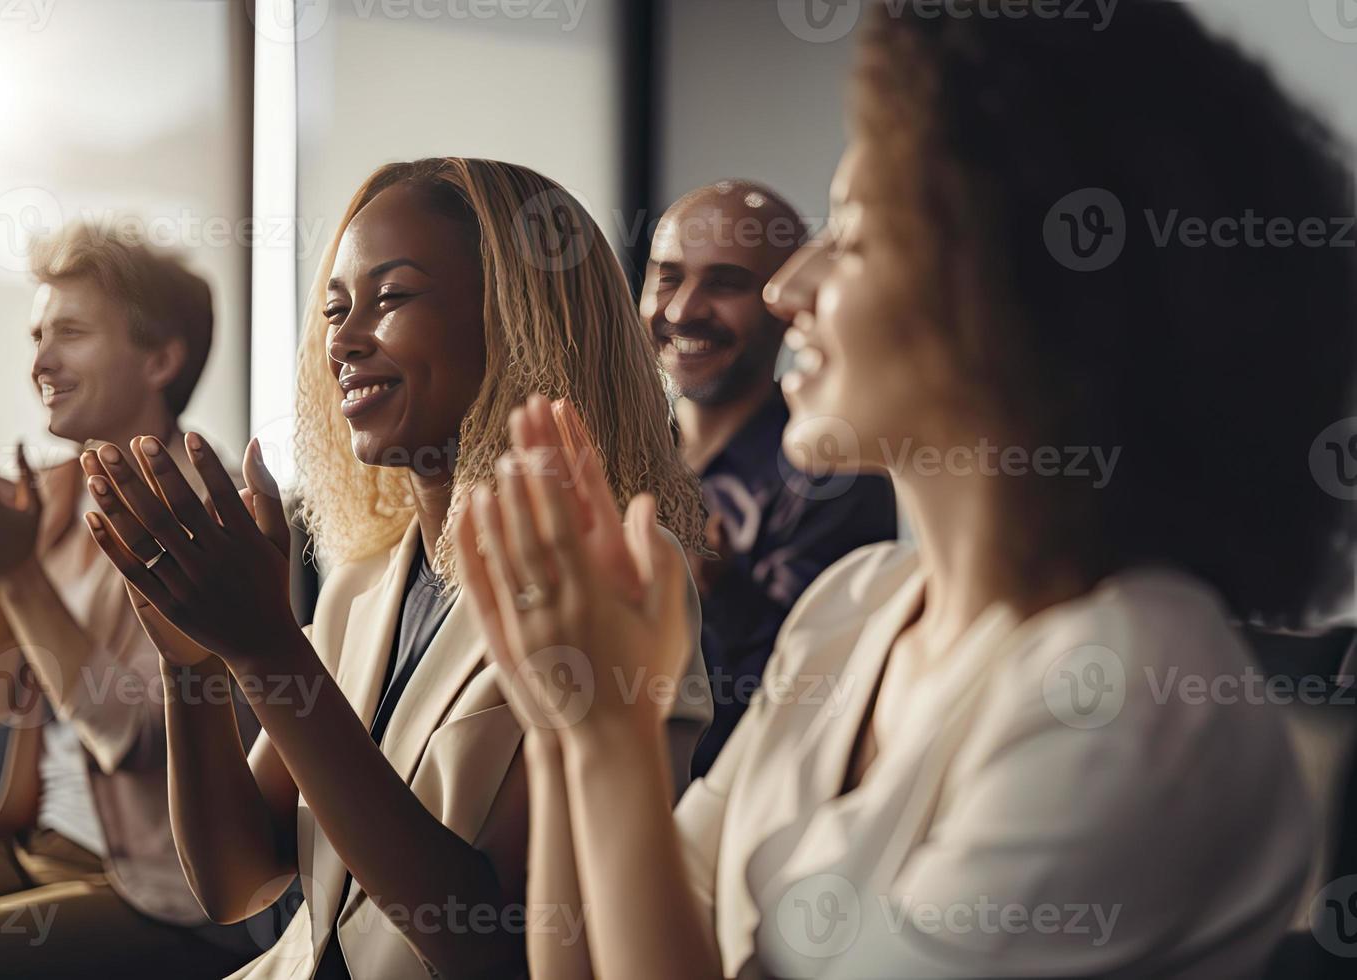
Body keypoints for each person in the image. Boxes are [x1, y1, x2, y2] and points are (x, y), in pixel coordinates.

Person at [455, 2, 1353, 976]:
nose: (785, 286)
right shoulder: (854, 605)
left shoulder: (1131, 686)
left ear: (1024, 298)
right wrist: (562, 723)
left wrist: (609, 738)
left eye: (852, 235)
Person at [80, 158, 713, 979]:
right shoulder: (361, 587)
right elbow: (237, 880)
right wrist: (195, 662)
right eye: (337, 308)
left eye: (393, 297)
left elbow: (491, 947)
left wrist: (267, 652)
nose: (341, 340)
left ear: (519, 321)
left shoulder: (611, 578)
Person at [0, 222, 248, 978]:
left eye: (71, 333)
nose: (41, 362)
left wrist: (17, 575)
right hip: (34, 846)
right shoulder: (51, 497)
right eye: (37, 334)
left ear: (161, 358)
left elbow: (134, 737)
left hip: (157, 895)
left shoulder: (210, 517)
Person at [642, 181, 896, 775]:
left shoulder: (834, 471)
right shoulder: (610, 452)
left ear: (782, 307)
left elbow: (805, 708)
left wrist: (713, 597)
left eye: (726, 283)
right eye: (668, 276)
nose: (682, 310)